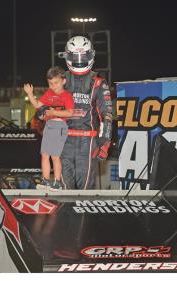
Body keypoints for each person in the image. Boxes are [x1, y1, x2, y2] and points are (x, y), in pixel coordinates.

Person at [59, 36, 113, 189]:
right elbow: (49, 107)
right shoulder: (61, 80)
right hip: (64, 140)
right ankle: (65, 213)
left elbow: (107, 115)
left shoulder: (98, 83)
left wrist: (105, 143)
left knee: (85, 193)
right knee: (64, 190)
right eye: (75, 56)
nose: (79, 60)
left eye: (83, 56)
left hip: (88, 142)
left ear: (91, 56)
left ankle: (84, 214)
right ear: (67, 56)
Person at [23, 66, 74, 190]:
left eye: (56, 83)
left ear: (63, 81)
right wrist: (30, 94)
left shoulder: (67, 96)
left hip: (60, 126)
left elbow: (69, 113)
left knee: (55, 156)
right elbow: (37, 105)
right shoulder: (49, 93)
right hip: (49, 126)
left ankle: (57, 182)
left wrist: (53, 113)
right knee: (45, 154)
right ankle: (45, 180)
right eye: (50, 83)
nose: (53, 86)